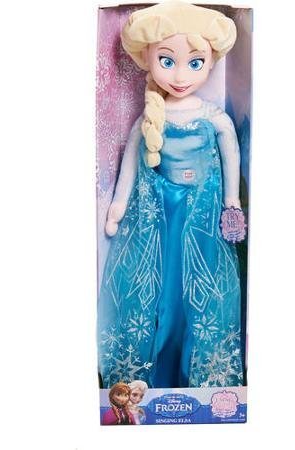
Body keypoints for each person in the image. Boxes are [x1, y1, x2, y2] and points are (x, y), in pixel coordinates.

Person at [98, 0, 244, 389]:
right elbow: (132, 162)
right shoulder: (150, 119)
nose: (180, 75)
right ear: (148, 60)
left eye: (195, 63)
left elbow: (231, 154)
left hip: (201, 216)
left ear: (210, 63)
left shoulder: (214, 117)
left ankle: (199, 376)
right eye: (167, 61)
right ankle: (150, 375)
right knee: (157, 288)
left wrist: (232, 202)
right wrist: (118, 205)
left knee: (199, 290)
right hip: (158, 214)